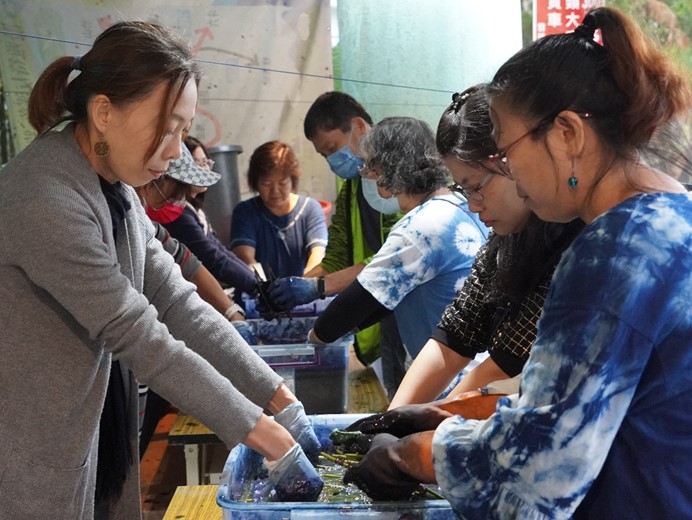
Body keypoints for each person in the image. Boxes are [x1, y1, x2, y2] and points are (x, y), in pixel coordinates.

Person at [344, 8, 692, 519]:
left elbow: (541, 464)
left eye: (506, 151)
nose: (506, 170)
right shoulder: (674, 213)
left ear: (567, 134)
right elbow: (578, 394)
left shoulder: (608, 254)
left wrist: (410, 457)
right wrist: (448, 413)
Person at [0, 21, 324, 519]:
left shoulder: (118, 192)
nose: (176, 151)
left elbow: (178, 302)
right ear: (104, 112)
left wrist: (279, 399)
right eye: (167, 127)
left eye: (183, 131)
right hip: (31, 448)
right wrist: (263, 433)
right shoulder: (44, 197)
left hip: (94, 431)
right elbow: (140, 335)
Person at [387, 85, 584, 408]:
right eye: (463, 190)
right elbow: (455, 336)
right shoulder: (504, 241)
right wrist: (395, 417)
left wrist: (430, 421)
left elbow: (509, 360)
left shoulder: (578, 242)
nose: (473, 205)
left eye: (476, 186)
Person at [307, 116, 487, 360]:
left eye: (370, 167)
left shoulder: (419, 228)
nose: (368, 176)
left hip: (451, 374)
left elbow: (361, 298)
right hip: (474, 361)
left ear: (389, 169)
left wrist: (316, 336)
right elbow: (386, 297)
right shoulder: (460, 205)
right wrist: (349, 327)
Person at [268, 91, 406, 397]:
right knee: (396, 398)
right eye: (324, 155)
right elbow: (337, 257)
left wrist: (318, 288)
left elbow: (394, 261)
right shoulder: (353, 188)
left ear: (358, 127)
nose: (332, 161)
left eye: (332, 148)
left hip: (414, 315)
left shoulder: (403, 178)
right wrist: (296, 286)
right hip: (383, 320)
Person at [147, 138, 257, 300]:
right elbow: (210, 257)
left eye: (205, 162)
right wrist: (255, 287)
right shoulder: (174, 217)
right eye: (197, 164)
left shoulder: (190, 211)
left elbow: (211, 253)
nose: (204, 169)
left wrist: (256, 283)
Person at [230, 140, 328, 278]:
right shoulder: (245, 211)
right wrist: (264, 286)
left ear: (292, 180)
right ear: (255, 183)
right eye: (266, 183)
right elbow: (246, 257)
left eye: (282, 183)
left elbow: (317, 253)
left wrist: (303, 283)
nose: (275, 191)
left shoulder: (310, 209)